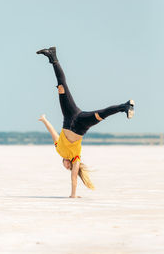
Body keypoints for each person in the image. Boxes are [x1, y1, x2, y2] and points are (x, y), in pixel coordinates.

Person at [37, 47, 135, 198]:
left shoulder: (59, 150)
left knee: (62, 87)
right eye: (68, 168)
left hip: (69, 117)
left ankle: (52, 57)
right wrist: (73, 195)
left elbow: (53, 133)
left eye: (65, 167)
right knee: (101, 114)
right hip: (80, 125)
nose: (67, 167)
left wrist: (44, 120)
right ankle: (125, 106)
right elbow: (74, 177)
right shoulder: (76, 158)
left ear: (63, 163)